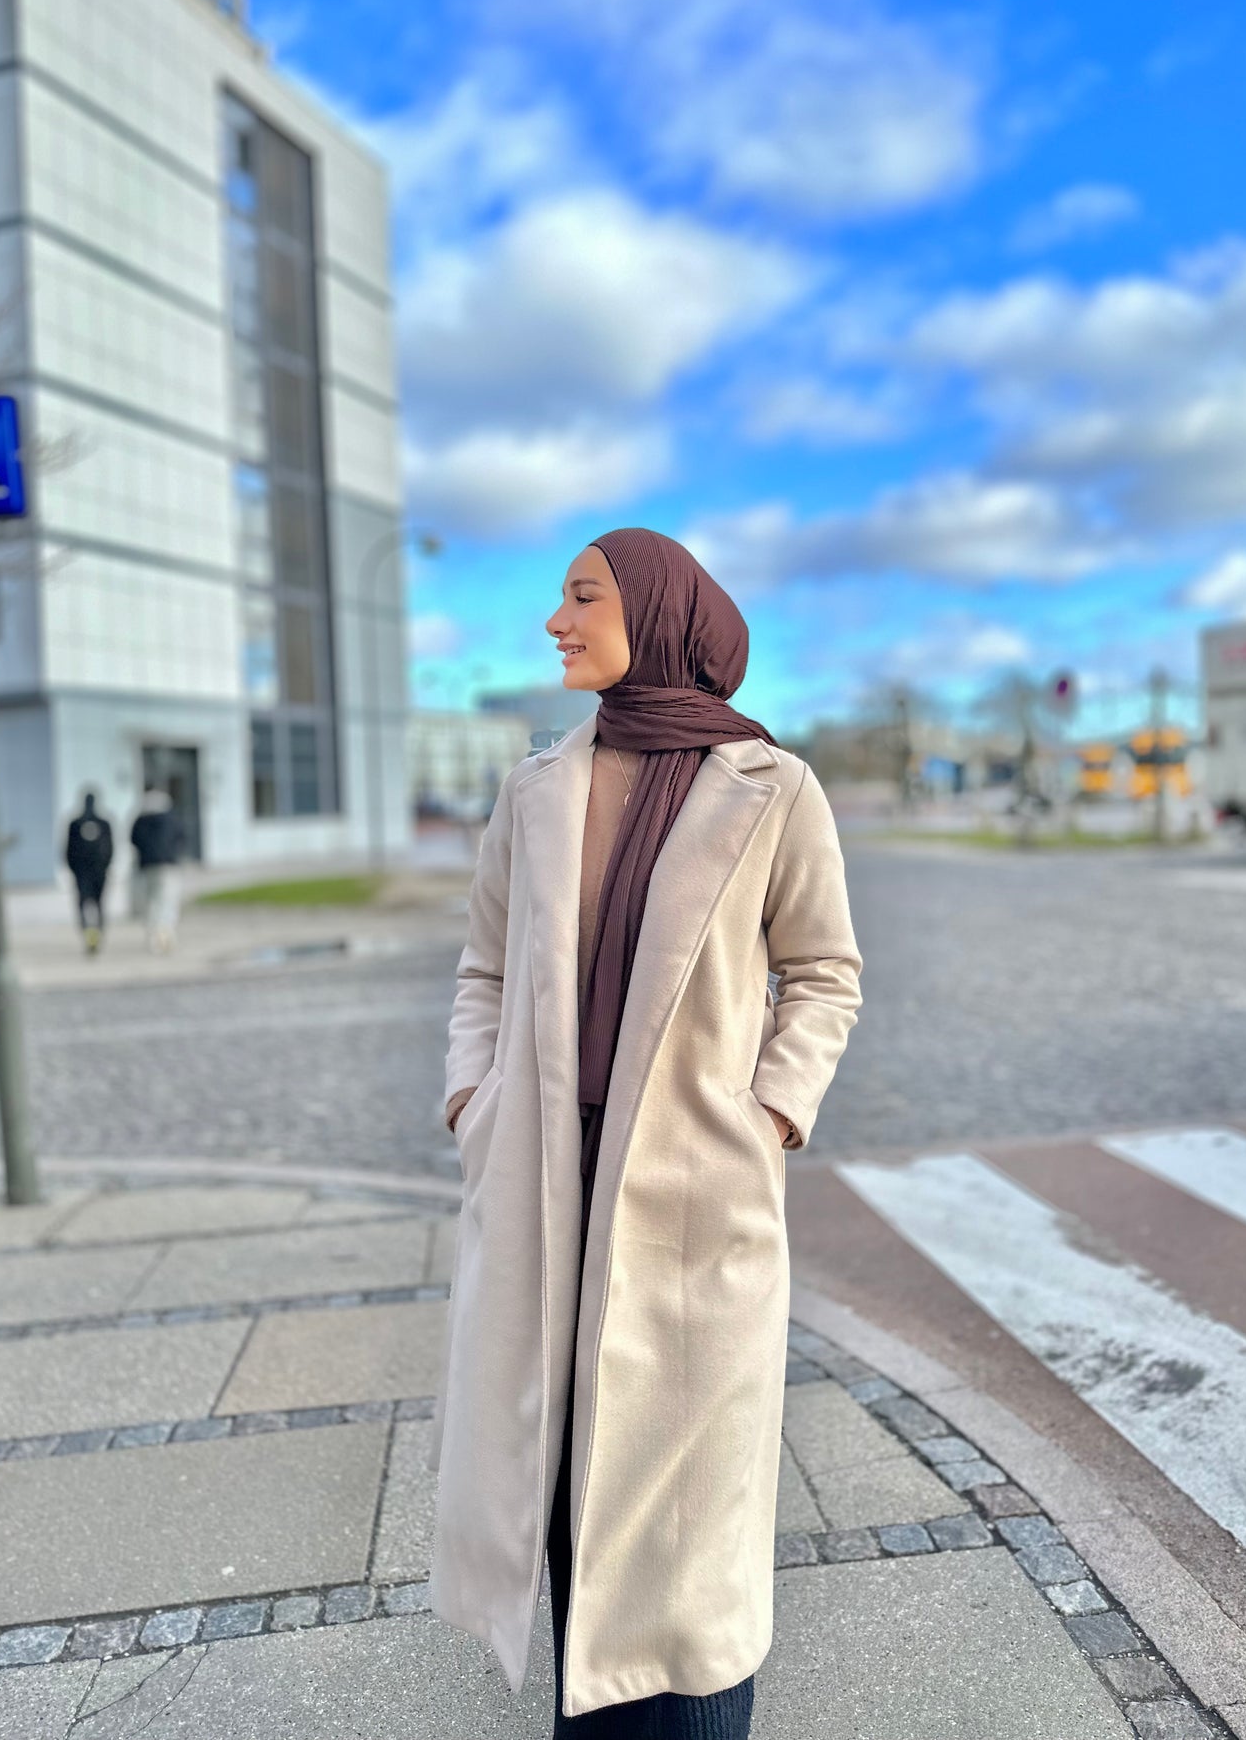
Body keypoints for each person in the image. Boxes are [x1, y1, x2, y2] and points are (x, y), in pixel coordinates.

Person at [427, 528, 863, 1734]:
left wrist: (763, 1114)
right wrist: (474, 1100)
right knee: (562, 1486)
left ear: (658, 614)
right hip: (541, 1182)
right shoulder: (534, 789)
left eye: (581, 596)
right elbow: (481, 969)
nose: (554, 621)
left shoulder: (772, 788)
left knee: (689, 1539)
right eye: (559, 597)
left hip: (689, 1190)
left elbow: (823, 972)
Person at [129, 786, 186, 955]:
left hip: (147, 866)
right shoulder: (171, 819)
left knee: (151, 901)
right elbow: (182, 838)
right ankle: (166, 930)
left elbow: (133, 840)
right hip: (168, 865)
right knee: (167, 900)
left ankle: (154, 934)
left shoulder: (140, 821)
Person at [64, 789, 113, 955]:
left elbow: (68, 850)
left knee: (84, 904)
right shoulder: (103, 823)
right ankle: (96, 933)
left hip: (82, 872)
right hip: (97, 871)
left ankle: (89, 933)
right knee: (98, 904)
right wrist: (105, 865)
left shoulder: (75, 824)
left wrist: (74, 869)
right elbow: (110, 849)